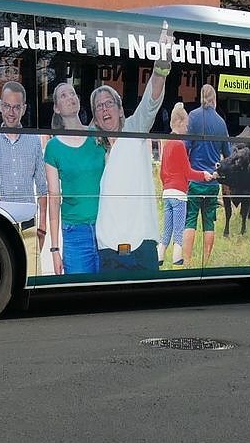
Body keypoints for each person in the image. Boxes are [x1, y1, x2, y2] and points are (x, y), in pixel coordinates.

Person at [92, 27, 172, 271]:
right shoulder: (94, 149)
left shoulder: (135, 130)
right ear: (95, 118)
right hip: (108, 246)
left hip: (142, 243)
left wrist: (161, 64)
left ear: (120, 110)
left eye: (109, 104)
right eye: (99, 107)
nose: (105, 110)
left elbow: (151, 99)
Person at [44, 82, 104, 274]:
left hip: (106, 227)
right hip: (75, 234)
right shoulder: (53, 147)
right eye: (63, 95)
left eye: (73, 93)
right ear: (56, 108)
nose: (70, 97)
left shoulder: (98, 136)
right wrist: (55, 249)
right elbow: (54, 199)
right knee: (80, 289)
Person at [0, 81, 48, 250]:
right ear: (0, 106)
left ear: (24, 109)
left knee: (30, 267)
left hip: (28, 224)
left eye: (16, 107)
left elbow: (42, 187)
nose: (11, 113)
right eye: (7, 106)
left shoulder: (34, 141)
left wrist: (42, 227)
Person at [160, 102, 213, 267]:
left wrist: (166, 186)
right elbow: (188, 172)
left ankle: (159, 257)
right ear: (180, 122)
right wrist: (203, 175)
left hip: (167, 193)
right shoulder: (180, 144)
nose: (187, 128)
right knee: (178, 231)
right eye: (186, 125)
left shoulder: (167, 144)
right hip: (179, 194)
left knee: (166, 230)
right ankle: (177, 259)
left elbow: (162, 172)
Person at [182, 83, 230, 265]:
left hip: (194, 180)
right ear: (214, 99)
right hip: (212, 183)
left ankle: (186, 262)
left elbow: (186, 147)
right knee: (209, 222)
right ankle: (206, 262)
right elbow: (228, 154)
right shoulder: (221, 122)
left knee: (190, 220)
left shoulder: (193, 116)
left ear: (201, 97)